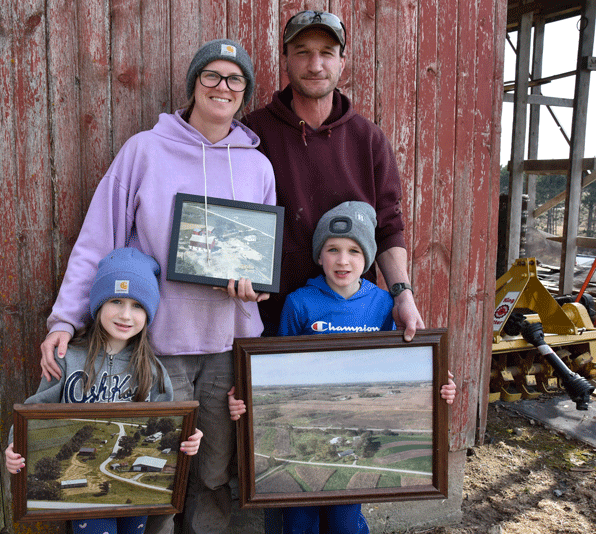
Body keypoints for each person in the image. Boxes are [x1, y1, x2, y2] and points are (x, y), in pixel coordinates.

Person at [38, 39, 276, 534]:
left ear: (245, 93)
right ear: (193, 84)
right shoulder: (144, 151)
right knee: (155, 465)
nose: (222, 86)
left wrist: (259, 289)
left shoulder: (257, 165)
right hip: (157, 345)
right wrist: (65, 319)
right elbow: (96, 240)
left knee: (214, 469)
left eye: (234, 79)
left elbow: (264, 258)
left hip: (228, 345)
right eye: (211, 75)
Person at [228, 201, 456, 534]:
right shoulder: (300, 302)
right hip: (305, 431)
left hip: (357, 435)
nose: (343, 260)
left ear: (368, 258)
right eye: (333, 249)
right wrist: (246, 397)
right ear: (319, 256)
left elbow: (400, 365)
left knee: (344, 522)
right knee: (296, 521)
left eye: (354, 250)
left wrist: (437, 385)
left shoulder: (383, 305)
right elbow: (274, 366)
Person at [242, 10, 424, 341]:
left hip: (351, 321)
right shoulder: (253, 133)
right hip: (268, 318)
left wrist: (402, 294)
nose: (315, 65)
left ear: (342, 61)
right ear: (285, 59)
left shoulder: (368, 139)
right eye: (302, 52)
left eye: (327, 53)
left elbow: (388, 226)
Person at [6, 248, 203, 534]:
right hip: (82, 488)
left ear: (148, 313)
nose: (125, 314)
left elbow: (167, 426)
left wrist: (187, 437)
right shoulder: (67, 358)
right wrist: (16, 446)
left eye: (137, 305)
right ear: (98, 304)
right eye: (116, 301)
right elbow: (35, 412)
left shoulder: (153, 369)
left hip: (132, 489)